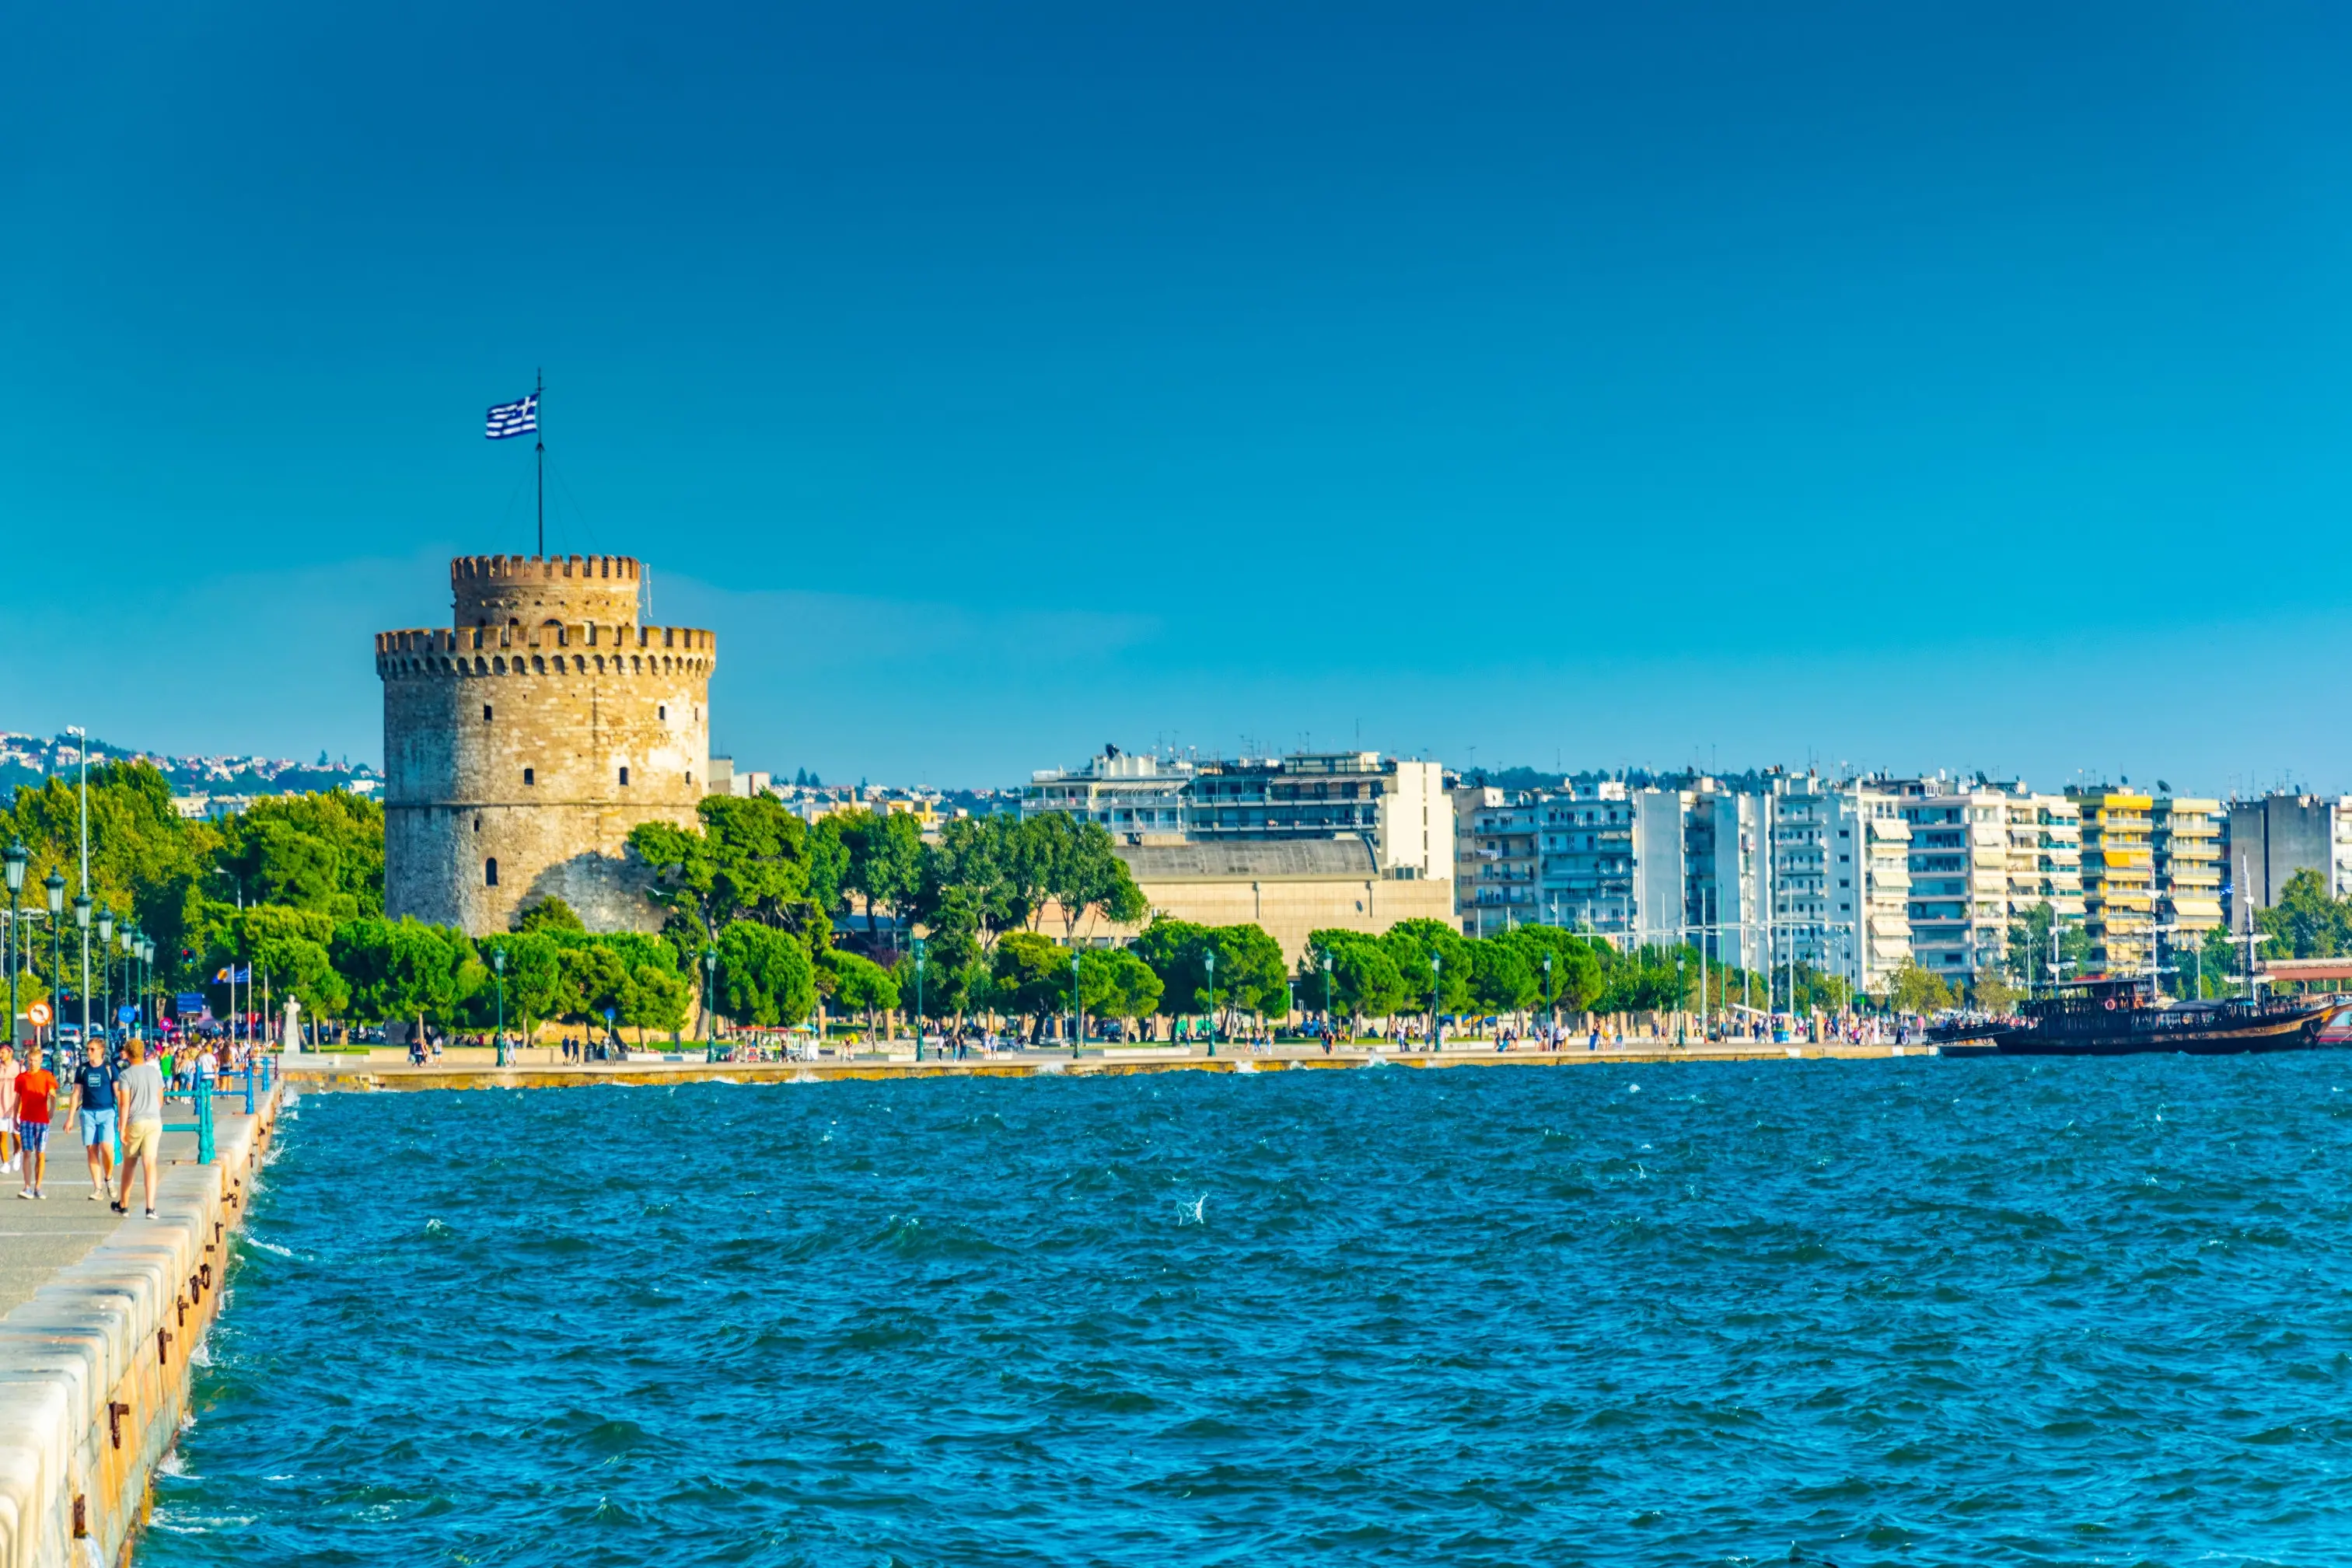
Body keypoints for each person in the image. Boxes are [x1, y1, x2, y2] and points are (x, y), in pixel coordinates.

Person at [112, 1038, 164, 1220]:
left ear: (127, 1053)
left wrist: (121, 1127)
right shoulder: (154, 1072)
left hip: (135, 1121)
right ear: (143, 1052)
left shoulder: (126, 1075)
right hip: (154, 1121)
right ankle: (150, 1208)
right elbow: (161, 1100)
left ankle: (124, 1205)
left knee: (130, 1164)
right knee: (150, 1164)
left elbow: (124, 1103)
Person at [71, 1039, 117, 1202]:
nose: (89, 1052)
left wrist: (125, 1115)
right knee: (91, 1149)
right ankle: (98, 1188)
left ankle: (109, 1177)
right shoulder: (83, 1069)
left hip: (107, 1112)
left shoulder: (110, 1069)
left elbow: (118, 1092)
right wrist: (70, 1118)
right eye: (88, 1049)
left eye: (92, 1049)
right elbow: (76, 1094)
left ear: (101, 1050)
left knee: (107, 1147)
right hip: (88, 1113)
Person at [15, 1047, 58, 1200]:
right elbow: (18, 1098)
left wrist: (52, 1108)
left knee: (40, 1153)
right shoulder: (21, 1078)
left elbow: (52, 1094)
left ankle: (38, 1187)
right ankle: (27, 1187)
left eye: (35, 1060)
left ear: (41, 1061)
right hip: (26, 1119)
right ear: (27, 1060)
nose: (32, 1063)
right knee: (26, 1153)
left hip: (42, 1121)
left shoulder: (47, 1076)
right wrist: (15, 1117)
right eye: (30, 1060)